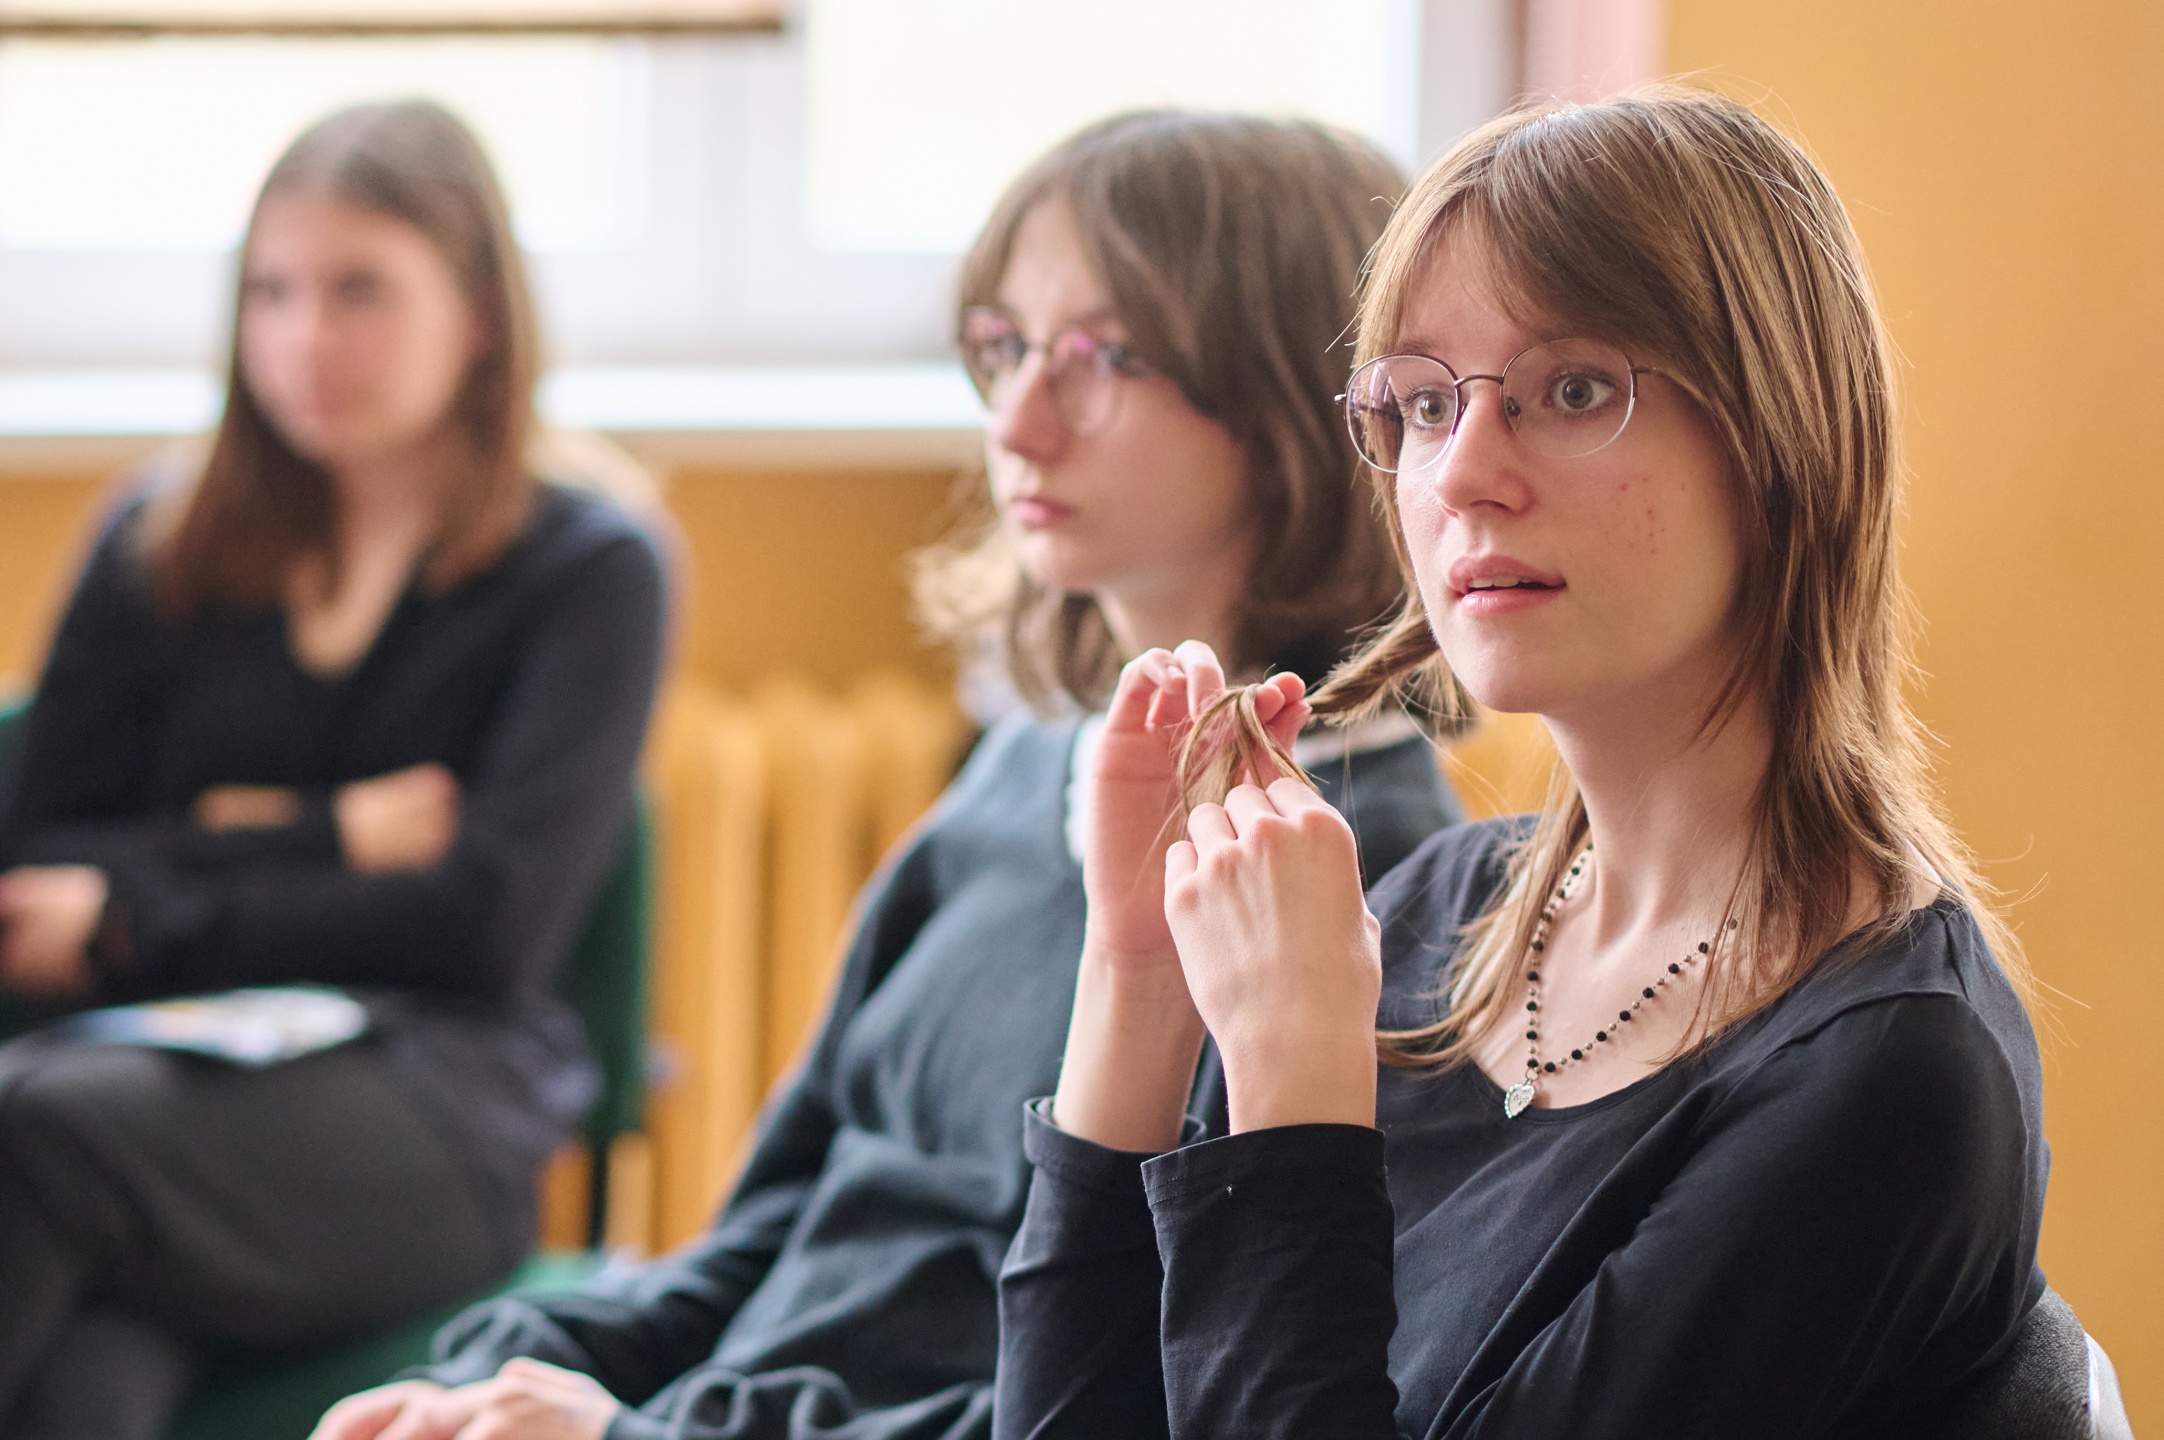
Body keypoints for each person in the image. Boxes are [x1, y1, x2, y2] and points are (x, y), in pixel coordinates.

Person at [314, 111, 1464, 1440]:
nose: (1017, 423)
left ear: (1287, 399)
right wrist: (502, 1370)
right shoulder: (1020, 767)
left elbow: (1108, 1403)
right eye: (1006, 347)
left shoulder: (1351, 887)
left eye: (1107, 357)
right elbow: (766, 1242)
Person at [995, 87, 2048, 1439]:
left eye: (1575, 389)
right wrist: (1137, 976)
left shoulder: (1888, 1081)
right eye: (1424, 404)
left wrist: (1293, 1086)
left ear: (1781, 438)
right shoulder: (1430, 909)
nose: (1460, 474)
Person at [0, 101, 667, 1440]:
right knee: (96, 1365)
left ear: (479, 314)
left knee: (38, 1135)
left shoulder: (592, 569)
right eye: (273, 293)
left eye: (361, 290)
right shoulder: (155, 541)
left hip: (425, 1109)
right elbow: (34, 861)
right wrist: (328, 834)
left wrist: (134, 918)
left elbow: (479, 926)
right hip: (129, 1090)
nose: (307, 339)